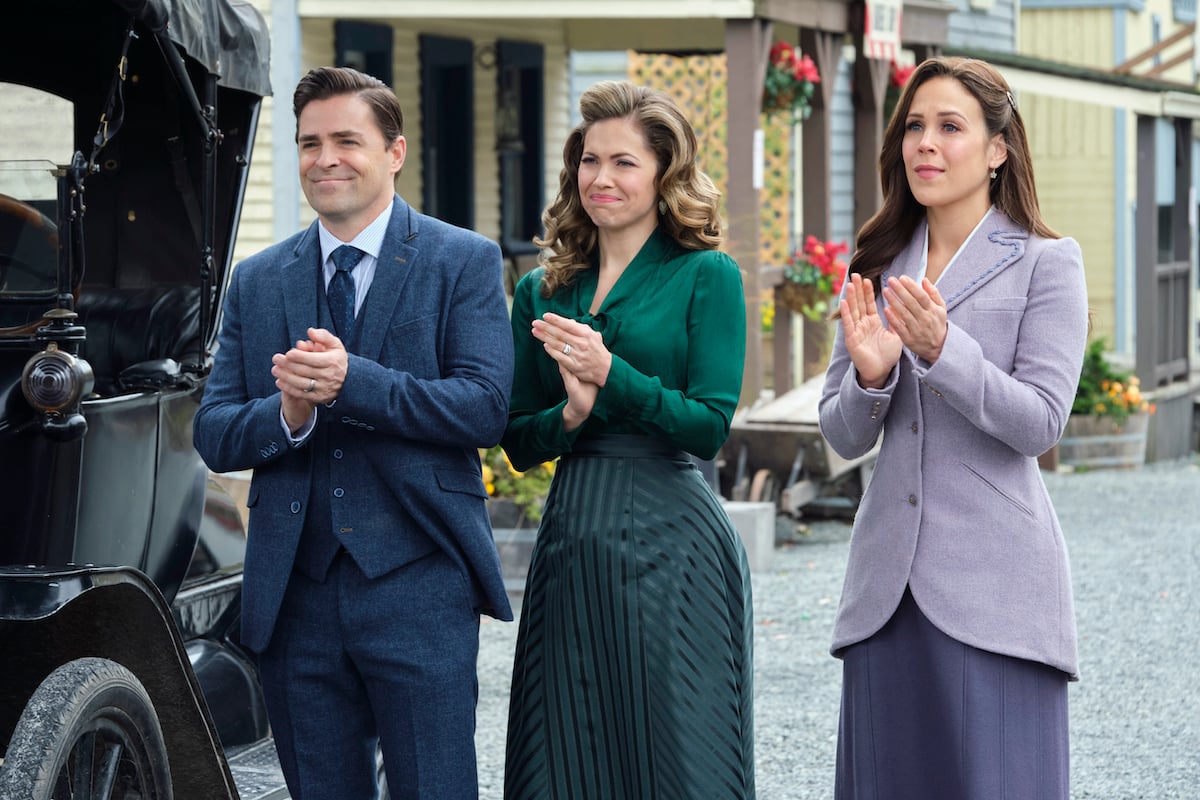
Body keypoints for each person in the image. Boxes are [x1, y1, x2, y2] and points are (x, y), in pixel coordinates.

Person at [193, 66, 513, 799]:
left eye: (347, 140)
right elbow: (214, 432)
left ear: (394, 151)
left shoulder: (461, 260)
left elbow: (485, 405)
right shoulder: (259, 279)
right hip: (294, 593)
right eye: (309, 143)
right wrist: (290, 416)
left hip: (419, 582)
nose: (324, 159)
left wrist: (353, 383)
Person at [819, 57, 1088, 798]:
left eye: (949, 127)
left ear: (999, 148)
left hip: (998, 594)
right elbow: (842, 436)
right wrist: (872, 378)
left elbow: (1040, 421)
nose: (925, 145)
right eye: (914, 127)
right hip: (884, 597)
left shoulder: (1047, 263)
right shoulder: (872, 263)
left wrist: (943, 351)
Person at [501, 80, 755, 798]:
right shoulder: (542, 291)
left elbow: (708, 425)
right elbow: (517, 437)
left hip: (674, 541)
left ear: (664, 175)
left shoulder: (707, 276)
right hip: (572, 538)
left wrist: (612, 376)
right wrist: (572, 417)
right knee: (562, 753)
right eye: (589, 160)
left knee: (680, 751)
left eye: (624, 163)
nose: (601, 179)